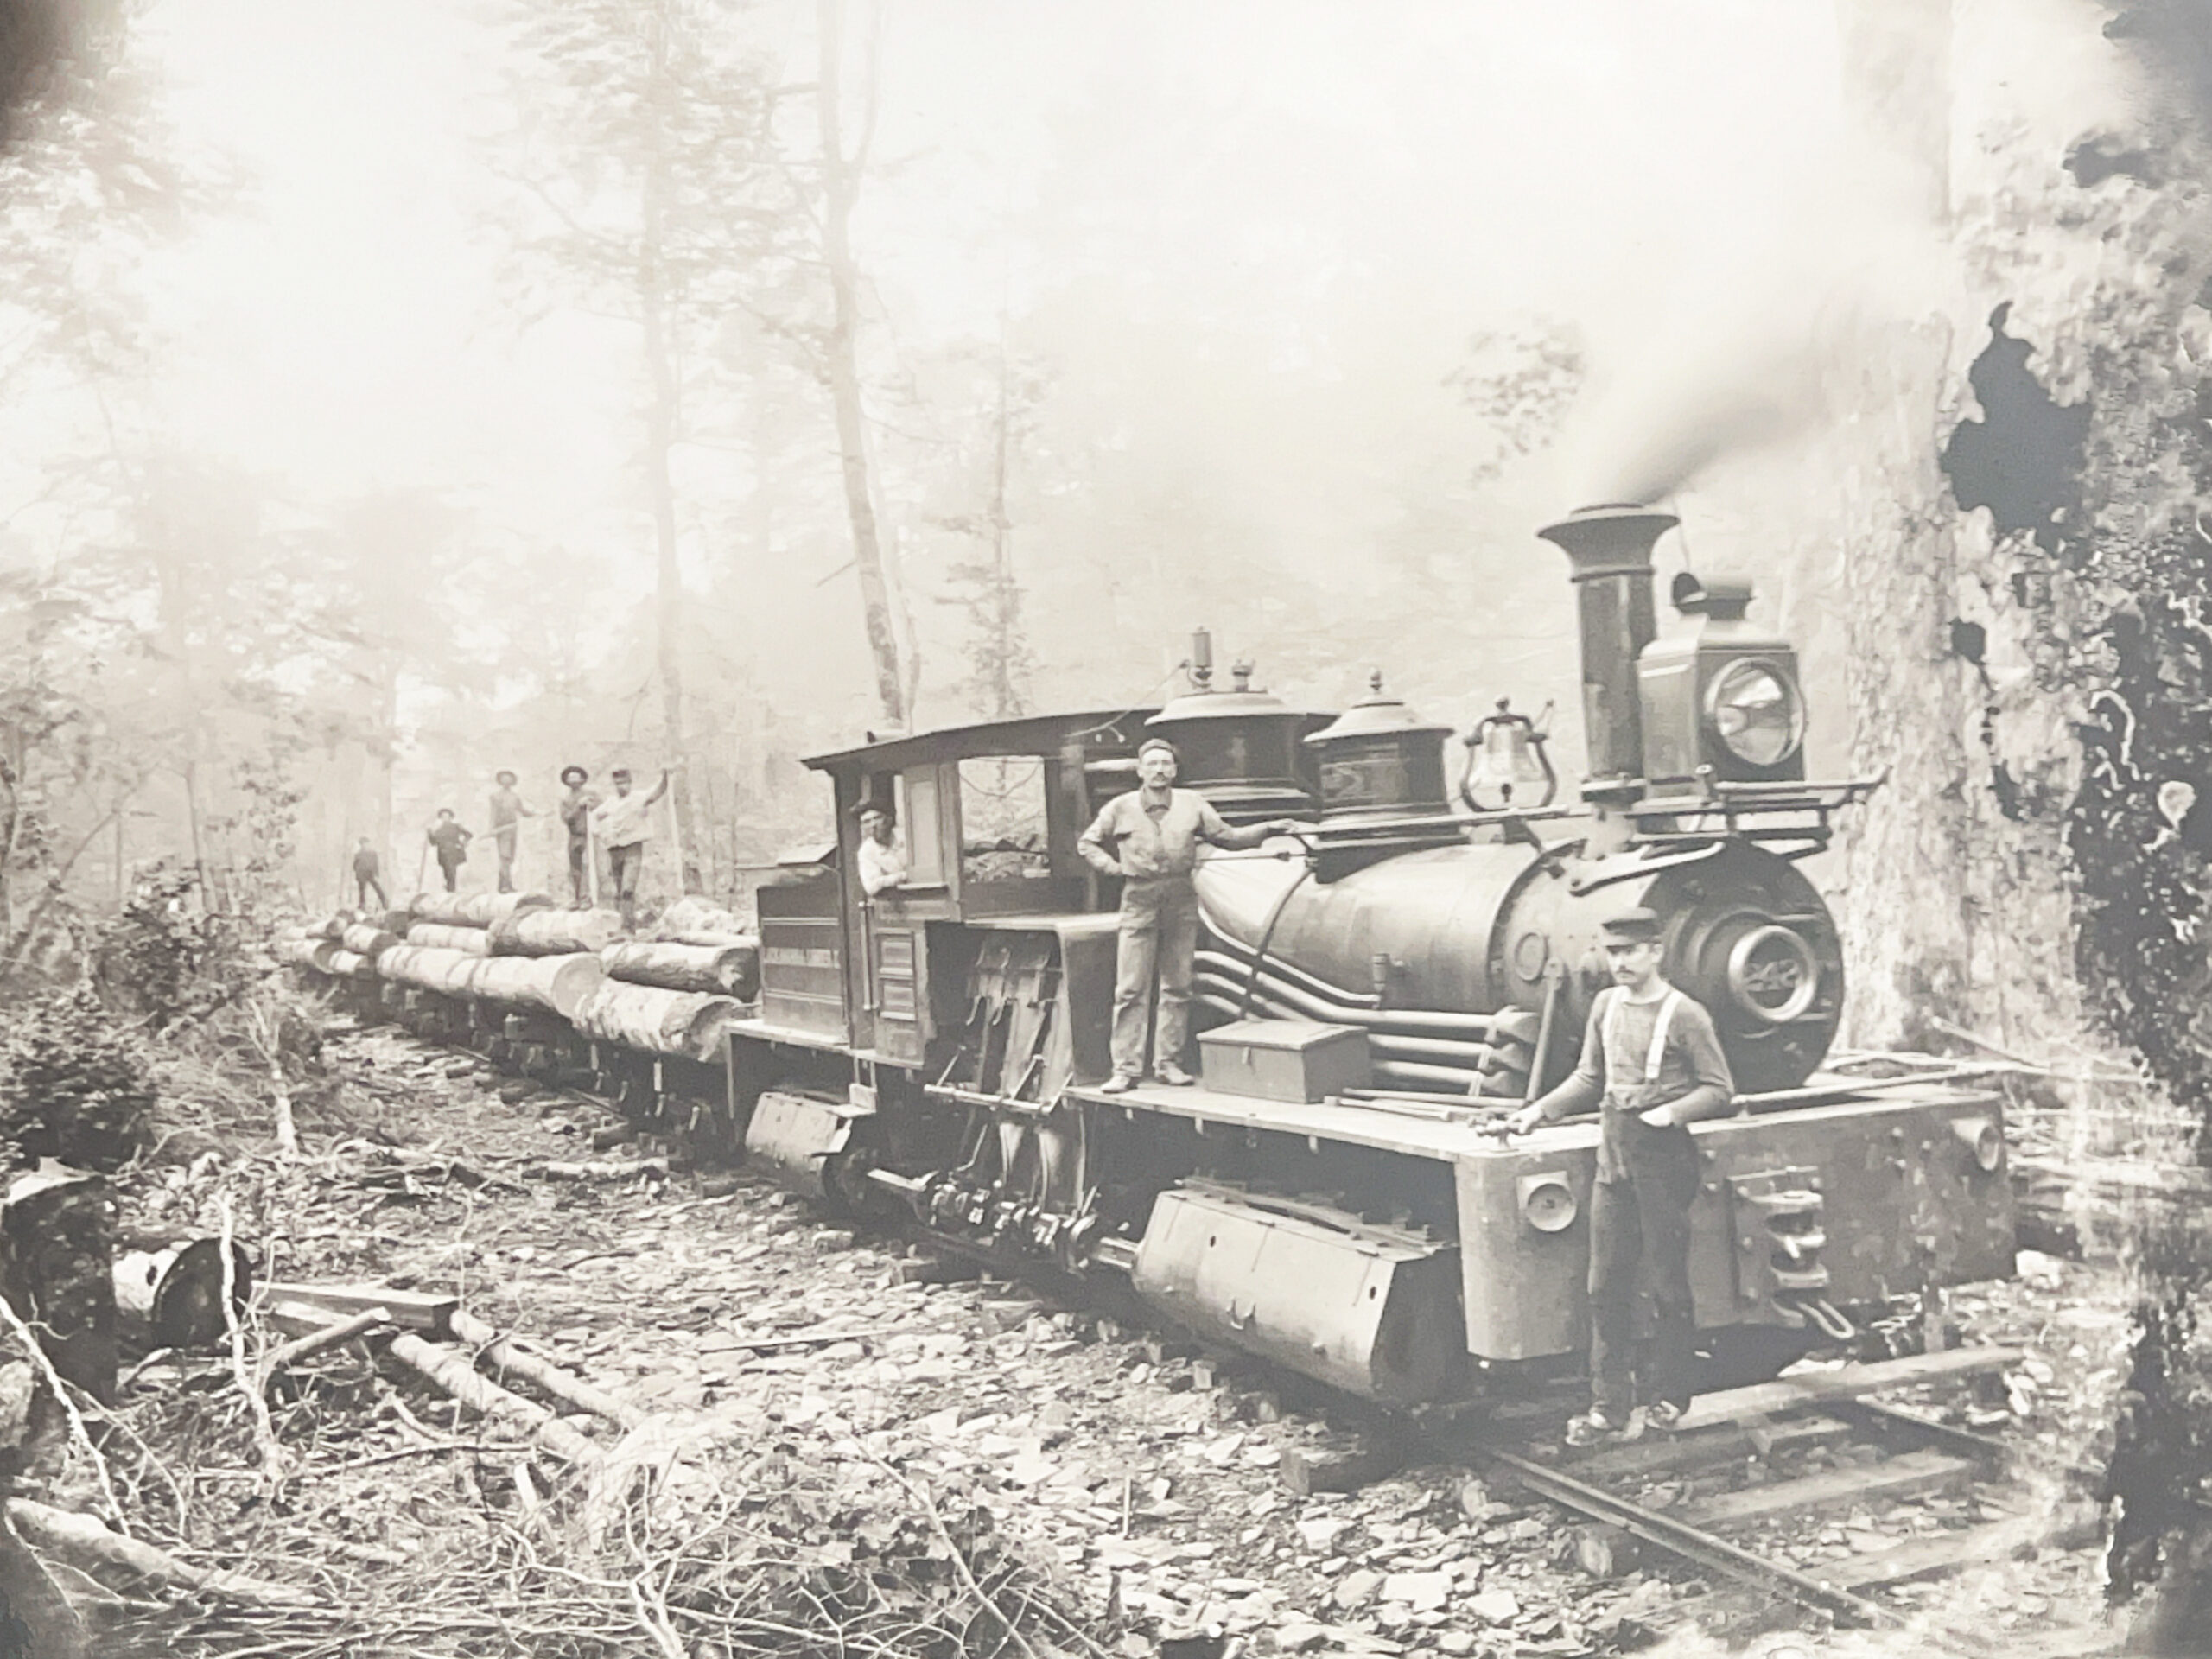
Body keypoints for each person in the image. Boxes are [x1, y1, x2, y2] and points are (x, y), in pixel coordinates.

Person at [1504, 907, 1736, 1445]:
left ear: (1657, 952)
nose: (1621, 962)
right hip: (1613, 1157)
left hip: (1661, 1157)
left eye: (1631, 951)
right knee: (1605, 1286)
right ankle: (1608, 1407)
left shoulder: (1686, 1015)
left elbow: (1719, 1088)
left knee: (1667, 1286)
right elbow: (1590, 1076)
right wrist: (1537, 1112)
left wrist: (1672, 1113)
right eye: (1613, 953)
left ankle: (1670, 1397)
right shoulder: (1605, 1006)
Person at [1077, 738, 1300, 1091]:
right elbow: (1087, 842)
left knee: (1177, 986)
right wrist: (1112, 868)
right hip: (1138, 898)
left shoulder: (1193, 804)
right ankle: (1125, 1070)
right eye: (1152, 764)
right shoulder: (1119, 807)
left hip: (1181, 897)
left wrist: (1268, 829)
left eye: (1166, 764)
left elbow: (1228, 837)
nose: (1159, 769)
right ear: (1140, 770)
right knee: (1130, 988)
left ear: (1175, 771)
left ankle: (1168, 1064)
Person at [590, 765, 668, 931]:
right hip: (614, 849)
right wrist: (602, 829)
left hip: (632, 848)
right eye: (618, 783)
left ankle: (628, 927)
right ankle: (621, 925)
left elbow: (657, 792)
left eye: (624, 782)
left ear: (630, 782)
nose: (621, 786)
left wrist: (665, 777)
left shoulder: (638, 798)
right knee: (618, 890)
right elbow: (594, 819)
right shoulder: (610, 803)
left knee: (627, 889)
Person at [488, 770, 536, 894]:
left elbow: (522, 810)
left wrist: (534, 813)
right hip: (502, 828)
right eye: (504, 779)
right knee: (504, 856)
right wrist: (492, 828)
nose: (506, 781)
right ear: (500, 781)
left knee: (510, 857)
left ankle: (507, 885)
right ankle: (503, 885)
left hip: (513, 828)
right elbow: (493, 813)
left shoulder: (515, 797)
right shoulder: (495, 796)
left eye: (509, 779)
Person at [556, 766, 597, 907]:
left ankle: (589, 898)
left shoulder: (591, 794)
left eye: (576, 777)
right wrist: (578, 807)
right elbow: (566, 818)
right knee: (575, 869)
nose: (573, 780)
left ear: (582, 779)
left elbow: (602, 810)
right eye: (570, 778)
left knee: (589, 865)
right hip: (575, 836)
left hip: (591, 836)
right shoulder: (566, 800)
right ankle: (577, 898)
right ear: (566, 781)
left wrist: (591, 805)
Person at [855, 801, 907, 897]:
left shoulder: (907, 837)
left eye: (877, 818)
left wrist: (887, 878)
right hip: (895, 902)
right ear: (862, 827)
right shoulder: (867, 851)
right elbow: (871, 886)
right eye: (867, 822)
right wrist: (903, 876)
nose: (873, 825)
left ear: (889, 820)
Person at [424, 810, 473, 894]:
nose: (445, 818)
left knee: (451, 870)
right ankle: (449, 887)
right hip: (442, 852)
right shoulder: (439, 830)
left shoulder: (456, 826)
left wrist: (463, 844)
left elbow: (469, 835)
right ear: (440, 818)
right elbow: (434, 842)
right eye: (443, 817)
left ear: (451, 818)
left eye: (447, 816)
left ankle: (451, 889)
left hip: (453, 851)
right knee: (446, 870)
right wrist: (430, 833)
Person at [352, 837, 387, 911]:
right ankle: (362, 905)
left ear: (368, 844)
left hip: (370, 873)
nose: (364, 845)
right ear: (361, 845)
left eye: (365, 843)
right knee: (362, 891)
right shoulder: (358, 854)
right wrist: (357, 871)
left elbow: (376, 863)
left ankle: (384, 902)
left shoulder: (373, 853)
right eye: (362, 844)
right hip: (361, 873)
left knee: (377, 887)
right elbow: (354, 865)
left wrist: (377, 873)